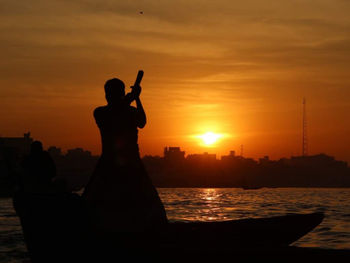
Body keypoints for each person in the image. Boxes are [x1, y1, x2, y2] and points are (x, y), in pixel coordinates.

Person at [83, 78, 167, 236]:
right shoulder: (101, 112)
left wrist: (137, 98)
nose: (110, 96)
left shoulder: (128, 111)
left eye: (113, 93)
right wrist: (132, 97)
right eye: (109, 93)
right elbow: (116, 111)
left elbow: (142, 122)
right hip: (110, 164)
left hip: (132, 165)